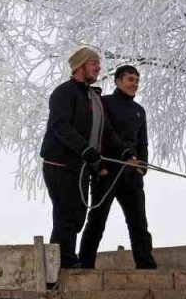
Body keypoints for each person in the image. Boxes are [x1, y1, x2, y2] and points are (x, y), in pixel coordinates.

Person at [40, 47, 137, 270]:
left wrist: (125, 152)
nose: (98, 67)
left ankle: (65, 260)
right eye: (94, 63)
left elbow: (107, 131)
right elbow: (61, 126)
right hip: (60, 165)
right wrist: (85, 150)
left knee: (77, 215)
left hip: (82, 166)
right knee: (66, 214)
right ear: (80, 66)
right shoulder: (64, 93)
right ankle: (63, 264)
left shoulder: (93, 96)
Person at [78, 65, 158, 269]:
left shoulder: (140, 111)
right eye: (130, 79)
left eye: (137, 80)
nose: (135, 84)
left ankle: (146, 265)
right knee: (97, 220)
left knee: (139, 222)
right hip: (107, 171)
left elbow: (143, 143)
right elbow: (105, 133)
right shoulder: (104, 103)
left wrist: (143, 166)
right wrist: (123, 155)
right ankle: (85, 264)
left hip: (132, 174)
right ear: (118, 81)